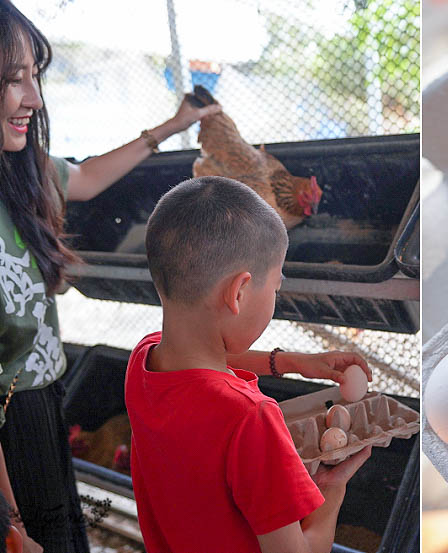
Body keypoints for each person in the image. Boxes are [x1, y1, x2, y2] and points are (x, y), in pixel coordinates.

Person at [0, 1, 220, 550]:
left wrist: (175, 124)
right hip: (9, 425)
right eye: (13, 80)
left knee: (63, 528)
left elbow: (90, 177)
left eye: (35, 76)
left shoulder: (22, 172)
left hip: (43, 394)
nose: (34, 98)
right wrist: (9, 520)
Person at [126, 175, 371, 553]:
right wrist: (331, 492)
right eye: (275, 287)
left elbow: (204, 364)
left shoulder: (144, 359)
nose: (274, 297)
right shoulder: (249, 418)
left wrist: (294, 362)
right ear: (239, 292)